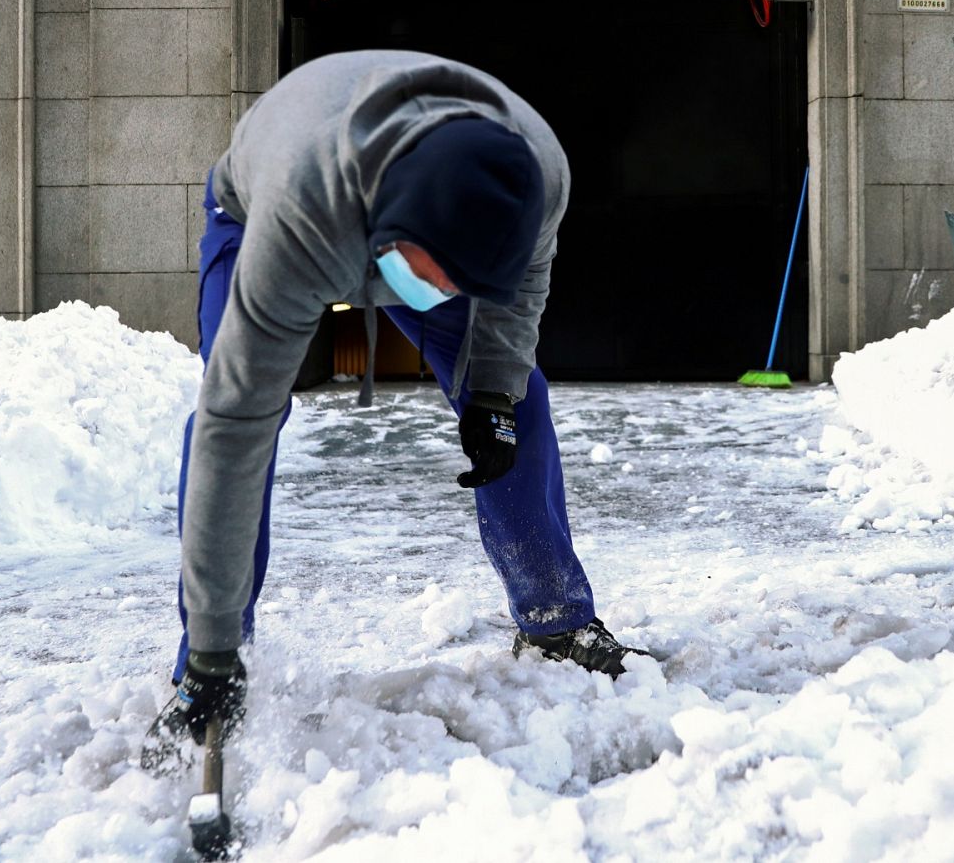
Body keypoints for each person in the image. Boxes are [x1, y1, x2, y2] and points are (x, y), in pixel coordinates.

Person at [142, 51, 646, 767]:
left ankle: (554, 620)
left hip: (411, 229)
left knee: (515, 394)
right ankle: (207, 667)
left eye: (458, 284)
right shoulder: (300, 214)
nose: (435, 298)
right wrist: (212, 651)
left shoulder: (536, 176)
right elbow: (236, 427)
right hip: (268, 211)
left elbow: (517, 296)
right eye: (431, 278)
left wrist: (493, 395)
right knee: (236, 412)